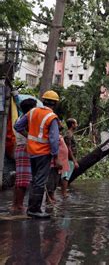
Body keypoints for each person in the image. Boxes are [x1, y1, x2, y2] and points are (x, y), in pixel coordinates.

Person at [14, 90, 63, 219]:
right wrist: (56, 157)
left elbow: (17, 126)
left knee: (35, 180)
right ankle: (34, 209)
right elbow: (53, 139)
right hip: (43, 153)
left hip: (32, 152)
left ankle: (32, 208)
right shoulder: (51, 117)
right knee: (40, 181)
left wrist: (29, 136)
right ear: (55, 103)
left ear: (44, 100)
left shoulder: (32, 112)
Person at [11, 98, 37, 213]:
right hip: (25, 148)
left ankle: (15, 204)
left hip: (20, 148)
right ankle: (19, 205)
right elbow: (24, 131)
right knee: (24, 180)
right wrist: (30, 138)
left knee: (20, 179)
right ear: (31, 109)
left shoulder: (19, 118)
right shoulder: (27, 119)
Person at [46, 124, 69, 203]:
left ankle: (51, 195)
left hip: (60, 162)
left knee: (56, 179)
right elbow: (53, 146)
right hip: (55, 162)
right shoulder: (54, 136)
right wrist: (56, 159)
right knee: (52, 179)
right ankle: (49, 196)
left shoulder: (58, 135)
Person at [62, 118, 79, 198]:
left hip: (70, 158)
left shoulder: (70, 133)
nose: (77, 125)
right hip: (69, 158)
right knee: (66, 176)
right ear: (72, 125)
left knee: (67, 176)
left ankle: (64, 193)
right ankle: (64, 194)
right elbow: (68, 148)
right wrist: (74, 160)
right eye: (75, 123)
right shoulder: (69, 134)